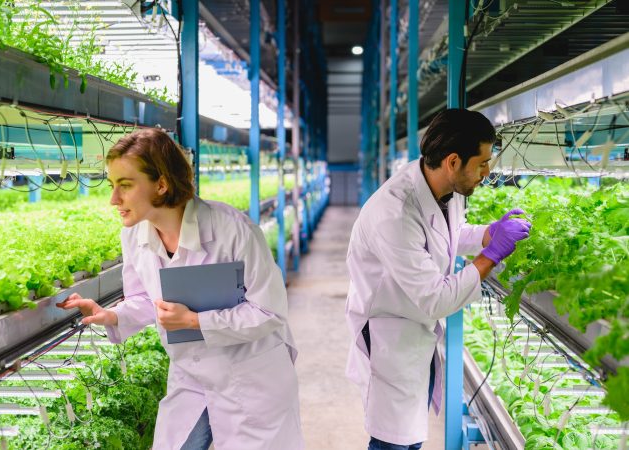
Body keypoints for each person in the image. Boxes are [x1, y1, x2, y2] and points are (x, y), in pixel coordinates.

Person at [57, 128, 303, 450]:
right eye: (112, 186)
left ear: (161, 184)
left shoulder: (233, 231)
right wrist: (112, 315)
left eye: (125, 186)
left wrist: (194, 322)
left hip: (250, 375)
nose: (113, 199)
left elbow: (269, 311)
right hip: (191, 377)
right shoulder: (134, 236)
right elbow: (146, 299)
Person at [345, 109, 531, 450]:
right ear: (453, 161)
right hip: (390, 335)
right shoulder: (396, 213)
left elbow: (448, 235)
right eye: (482, 163)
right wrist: (490, 256)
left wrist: (488, 235)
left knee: (408, 438)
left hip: (413, 328)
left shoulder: (445, 189)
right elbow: (436, 298)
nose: (487, 173)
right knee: (393, 442)